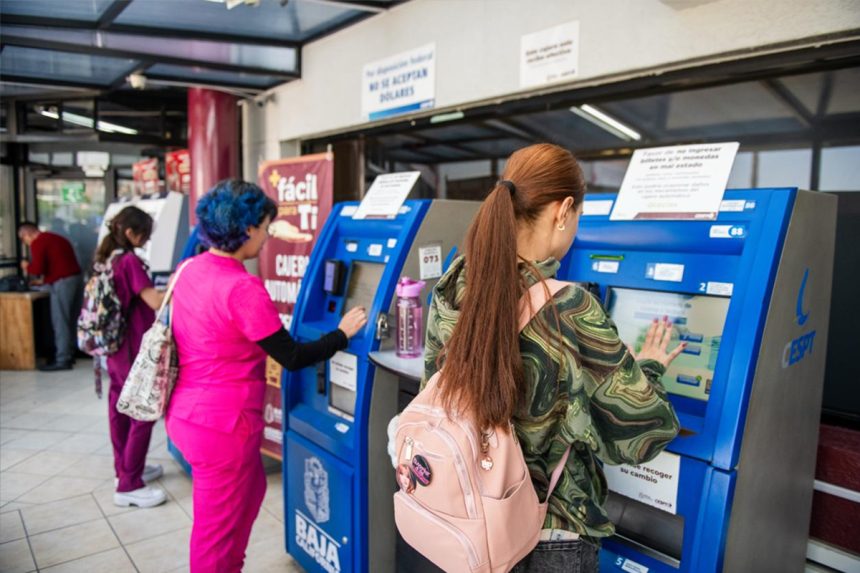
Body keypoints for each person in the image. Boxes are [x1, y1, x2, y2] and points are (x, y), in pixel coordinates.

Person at [421, 144, 683, 572]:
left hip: (472, 518)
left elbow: (435, 388)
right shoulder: (568, 307)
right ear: (563, 211)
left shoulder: (454, 287)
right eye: (577, 217)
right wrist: (648, 366)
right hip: (548, 532)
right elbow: (644, 432)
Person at [166, 180, 367, 573]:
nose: (267, 234)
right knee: (215, 535)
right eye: (264, 225)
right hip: (221, 426)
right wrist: (341, 333)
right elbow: (292, 355)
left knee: (251, 491)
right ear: (246, 229)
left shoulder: (189, 269)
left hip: (187, 414)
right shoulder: (241, 287)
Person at [93, 206, 168, 508]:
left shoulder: (107, 259)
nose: (147, 239)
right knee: (143, 410)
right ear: (129, 233)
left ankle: (123, 468)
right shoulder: (130, 262)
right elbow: (154, 299)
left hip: (114, 347)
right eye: (144, 233)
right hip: (133, 347)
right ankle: (129, 484)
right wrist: (181, 277)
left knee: (119, 407)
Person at [18, 222, 84, 371]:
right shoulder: (55, 238)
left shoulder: (38, 242)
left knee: (60, 321)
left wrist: (26, 266)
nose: (26, 243)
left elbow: (38, 268)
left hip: (62, 283)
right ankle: (72, 352)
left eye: (23, 240)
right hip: (75, 279)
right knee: (72, 318)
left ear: (26, 235)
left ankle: (62, 359)